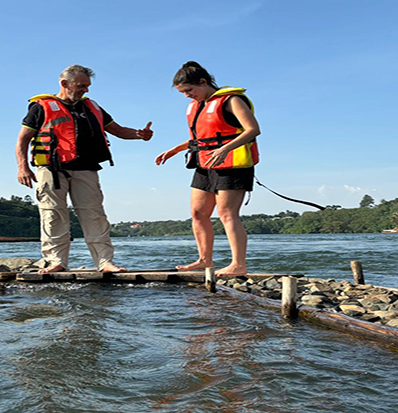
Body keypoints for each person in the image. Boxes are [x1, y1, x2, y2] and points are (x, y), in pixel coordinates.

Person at [16, 64, 153, 274]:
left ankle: (105, 262)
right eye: (81, 86)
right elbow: (22, 139)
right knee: (52, 215)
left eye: (87, 86)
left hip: (86, 168)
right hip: (51, 169)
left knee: (94, 214)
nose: (85, 90)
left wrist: (138, 134)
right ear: (64, 84)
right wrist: (23, 167)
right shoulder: (41, 107)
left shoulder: (92, 106)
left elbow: (117, 130)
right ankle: (56, 262)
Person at [156, 61, 260, 277]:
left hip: (233, 164)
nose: (187, 96)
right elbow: (203, 138)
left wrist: (225, 149)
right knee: (197, 213)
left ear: (203, 82)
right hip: (205, 163)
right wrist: (176, 149)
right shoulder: (198, 106)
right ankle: (204, 260)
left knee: (227, 213)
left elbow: (253, 130)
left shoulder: (232, 100)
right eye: (183, 92)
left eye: (189, 90)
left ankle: (238, 264)